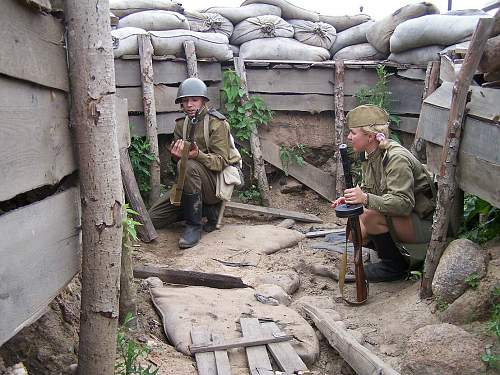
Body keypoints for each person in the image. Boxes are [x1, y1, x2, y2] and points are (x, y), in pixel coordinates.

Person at [331, 104, 436, 282]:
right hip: (407, 218)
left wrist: (365, 198)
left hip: (426, 223)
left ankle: (394, 267)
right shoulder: (371, 155)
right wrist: (353, 198)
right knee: (355, 232)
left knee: (370, 217)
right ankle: (389, 252)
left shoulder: (396, 158)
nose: (349, 137)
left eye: (353, 133)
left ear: (370, 136)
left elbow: (403, 204)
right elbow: (372, 189)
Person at [148, 77, 241, 249]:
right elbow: (179, 163)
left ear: (203, 101)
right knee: (154, 218)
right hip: (190, 184)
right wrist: (176, 156)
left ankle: (194, 226)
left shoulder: (217, 123)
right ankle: (205, 210)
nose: (189, 105)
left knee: (190, 166)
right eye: (185, 101)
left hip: (215, 183)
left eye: (194, 100)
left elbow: (221, 162)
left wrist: (198, 155)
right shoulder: (180, 125)